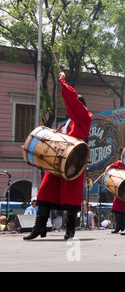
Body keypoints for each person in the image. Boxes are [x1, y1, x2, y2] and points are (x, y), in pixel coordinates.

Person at [24, 72, 92, 240]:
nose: (71, 108)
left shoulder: (84, 117)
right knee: (46, 190)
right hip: (58, 161)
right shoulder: (66, 125)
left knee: (71, 197)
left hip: (75, 161)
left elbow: (73, 102)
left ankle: (70, 230)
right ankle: (39, 227)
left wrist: (63, 82)